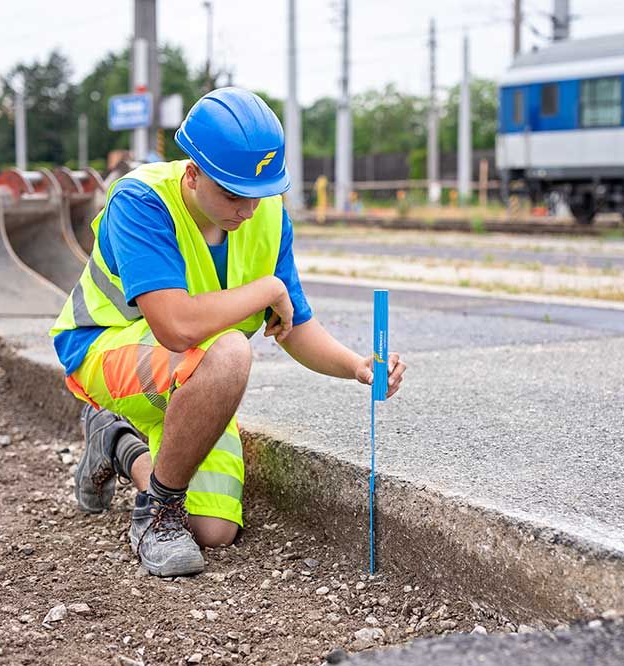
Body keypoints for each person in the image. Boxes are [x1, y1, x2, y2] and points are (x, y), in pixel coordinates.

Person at [50, 87, 406, 577]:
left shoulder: (267, 218)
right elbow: (175, 327)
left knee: (215, 529)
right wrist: (265, 289)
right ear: (192, 174)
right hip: (103, 352)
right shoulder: (141, 200)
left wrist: (356, 367)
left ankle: (115, 443)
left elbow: (294, 325)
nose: (248, 210)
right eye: (234, 194)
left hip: (188, 375)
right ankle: (158, 516)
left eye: (261, 194)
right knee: (231, 351)